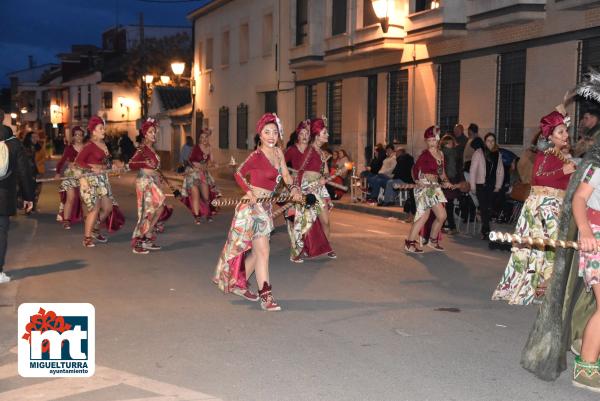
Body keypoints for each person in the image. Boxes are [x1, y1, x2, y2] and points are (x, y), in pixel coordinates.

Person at [213, 113, 301, 311]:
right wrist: (249, 192)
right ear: (259, 135)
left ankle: (238, 283)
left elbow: (286, 176)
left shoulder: (279, 153)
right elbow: (238, 173)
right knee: (263, 251)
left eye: (275, 132)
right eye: (266, 132)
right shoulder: (256, 156)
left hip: (266, 206)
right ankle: (266, 296)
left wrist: (294, 189)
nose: (271, 136)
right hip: (252, 208)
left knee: (257, 251)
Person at [492, 110, 575, 305]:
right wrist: (564, 170)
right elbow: (538, 177)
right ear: (550, 135)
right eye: (561, 132)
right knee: (543, 246)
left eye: (566, 131)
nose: (566, 135)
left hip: (557, 205)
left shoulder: (561, 155)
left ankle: (544, 286)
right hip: (543, 206)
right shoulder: (546, 153)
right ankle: (537, 287)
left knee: (552, 248)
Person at [285, 118, 337, 263]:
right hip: (307, 189)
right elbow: (299, 170)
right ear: (317, 135)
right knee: (304, 223)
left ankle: (327, 246)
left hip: (319, 189)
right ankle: (297, 252)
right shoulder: (308, 150)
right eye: (325, 133)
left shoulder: (322, 152)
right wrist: (298, 187)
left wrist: (324, 178)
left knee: (325, 221)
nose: (328, 135)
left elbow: (325, 172)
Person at [75, 116, 125, 248]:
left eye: (103, 128)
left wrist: (113, 166)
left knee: (108, 208)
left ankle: (95, 228)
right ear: (94, 131)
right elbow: (78, 161)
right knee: (95, 208)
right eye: (101, 128)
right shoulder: (89, 146)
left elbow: (107, 162)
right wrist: (92, 167)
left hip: (103, 178)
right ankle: (87, 237)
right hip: (90, 178)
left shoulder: (104, 144)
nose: (104, 130)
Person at [0, 110, 34, 283]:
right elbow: (24, 172)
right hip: (4, 197)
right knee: (1, 233)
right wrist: (29, 197)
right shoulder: (14, 143)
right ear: (2, 119)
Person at [404, 126, 451, 253]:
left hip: (434, 188)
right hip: (424, 187)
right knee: (423, 217)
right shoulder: (425, 154)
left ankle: (432, 240)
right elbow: (415, 169)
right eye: (429, 140)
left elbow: (441, 172)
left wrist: (446, 182)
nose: (431, 143)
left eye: (433, 140)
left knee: (442, 216)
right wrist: (419, 181)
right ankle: (409, 243)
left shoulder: (441, 154)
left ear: (438, 140)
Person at [128, 118, 170, 254]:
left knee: (159, 208)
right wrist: (141, 164)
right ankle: (138, 241)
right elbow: (132, 164)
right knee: (147, 211)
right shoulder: (143, 149)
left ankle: (147, 236)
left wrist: (159, 179)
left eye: (155, 132)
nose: (154, 134)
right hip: (144, 182)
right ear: (145, 134)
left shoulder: (151, 149)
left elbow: (155, 168)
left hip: (153, 181)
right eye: (151, 132)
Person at [181, 129, 221, 224]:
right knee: (195, 194)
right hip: (193, 174)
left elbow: (211, 161)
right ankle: (196, 216)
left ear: (208, 138)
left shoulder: (210, 148)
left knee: (206, 196)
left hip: (203, 174)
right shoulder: (196, 148)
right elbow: (191, 160)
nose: (204, 139)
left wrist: (215, 164)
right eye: (201, 137)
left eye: (205, 137)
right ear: (199, 139)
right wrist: (200, 166)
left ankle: (208, 213)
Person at [469, 134, 504, 239]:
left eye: (493, 140)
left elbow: (500, 171)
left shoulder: (497, 154)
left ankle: (484, 224)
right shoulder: (479, 153)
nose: (491, 143)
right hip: (481, 184)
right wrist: (473, 186)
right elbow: (473, 170)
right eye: (488, 140)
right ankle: (486, 231)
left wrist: (498, 185)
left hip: (491, 185)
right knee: (484, 208)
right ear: (485, 141)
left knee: (489, 208)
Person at [55, 126, 85, 229]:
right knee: (70, 197)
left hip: (84, 175)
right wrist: (58, 172)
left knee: (85, 197)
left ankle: (87, 218)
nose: (78, 137)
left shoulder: (87, 147)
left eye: (80, 134)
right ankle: (66, 220)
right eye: (76, 135)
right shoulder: (69, 148)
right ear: (73, 136)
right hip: (71, 175)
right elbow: (61, 161)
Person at [439, 134, 463, 233]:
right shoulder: (448, 154)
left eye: (452, 142)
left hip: (449, 180)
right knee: (448, 204)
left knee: (447, 204)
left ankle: (444, 225)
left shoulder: (447, 153)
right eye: (449, 143)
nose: (451, 144)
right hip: (448, 181)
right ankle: (450, 226)